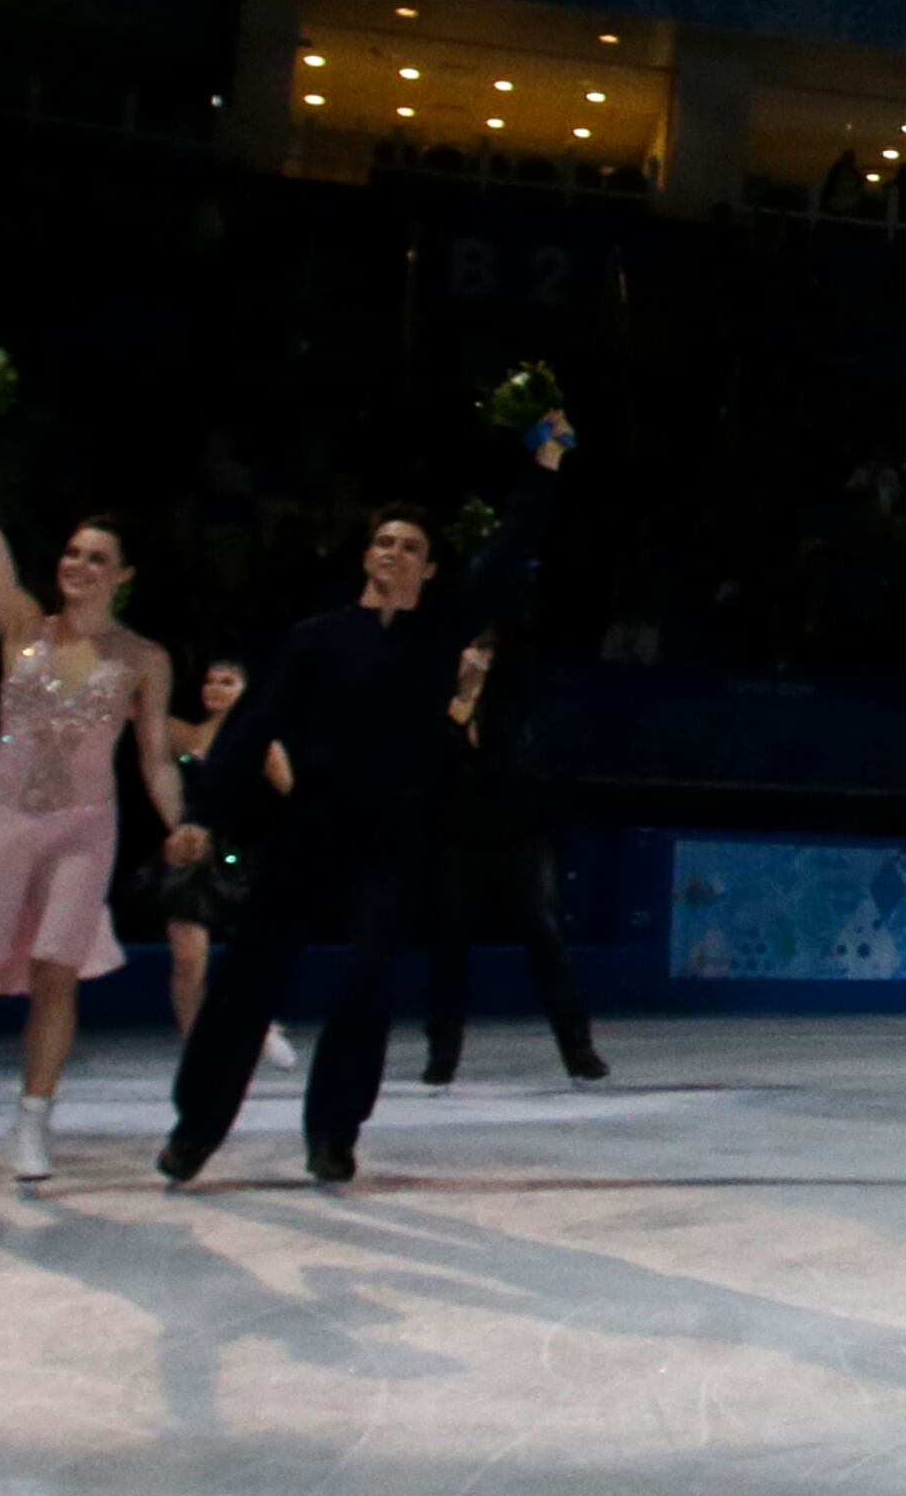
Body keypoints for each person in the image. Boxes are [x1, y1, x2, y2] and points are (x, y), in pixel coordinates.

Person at [155, 417, 571, 1187]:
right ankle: (198, 1126)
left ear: (430, 566)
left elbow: (510, 553)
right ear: (365, 554)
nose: (395, 553)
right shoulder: (316, 639)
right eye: (385, 542)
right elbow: (253, 728)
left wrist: (543, 466)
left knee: (369, 977)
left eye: (412, 546)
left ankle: (333, 1132)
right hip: (314, 822)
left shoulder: (443, 628)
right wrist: (202, 814)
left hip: (396, 830)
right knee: (252, 972)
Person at [0, 387, 182, 1189]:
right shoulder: (22, 625)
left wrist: (181, 822)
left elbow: (155, 756)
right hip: (0, 815)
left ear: (123, 575)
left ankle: (34, 1122)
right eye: (72, 552)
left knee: (56, 972)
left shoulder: (143, 658)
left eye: (96, 557)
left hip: (82, 826)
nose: (78, 565)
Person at [421, 629, 608, 1089]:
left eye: (487, 652)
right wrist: (462, 697)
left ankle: (578, 1050)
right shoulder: (434, 698)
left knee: (545, 938)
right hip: (459, 837)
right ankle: (442, 1054)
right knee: (448, 944)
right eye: (473, 649)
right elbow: (436, 758)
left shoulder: (516, 702)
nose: (478, 658)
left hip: (519, 836)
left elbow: (508, 755)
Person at [146, 654, 298, 1073]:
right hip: (189, 858)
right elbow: (138, 715)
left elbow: (293, 798)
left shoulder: (262, 744)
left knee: (244, 957)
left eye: (227, 681)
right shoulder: (185, 733)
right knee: (188, 957)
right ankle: (196, 1048)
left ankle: (258, 1026)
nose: (215, 688)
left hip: (241, 860)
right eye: (211, 680)